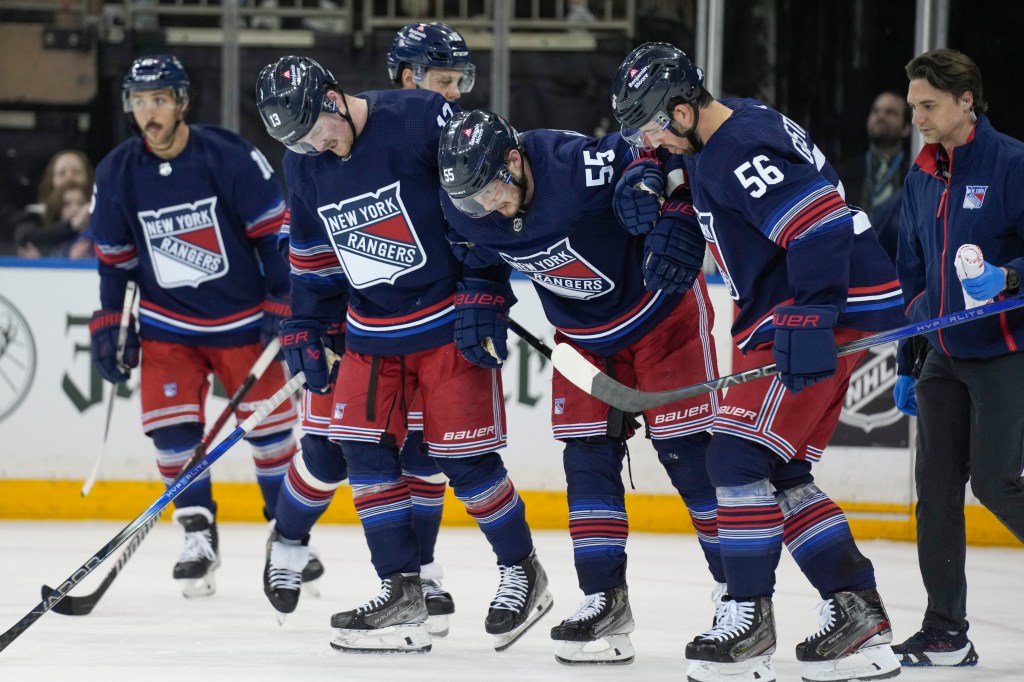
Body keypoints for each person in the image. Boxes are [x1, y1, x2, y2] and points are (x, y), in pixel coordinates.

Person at [610, 42, 908, 682]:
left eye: (657, 126)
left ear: (686, 109)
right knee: (782, 471)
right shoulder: (730, 127)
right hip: (790, 309)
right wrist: (674, 199)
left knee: (737, 458)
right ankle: (858, 617)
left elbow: (818, 223)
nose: (653, 140)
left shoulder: (739, 145)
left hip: (802, 310)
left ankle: (747, 619)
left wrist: (814, 311)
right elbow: (724, 192)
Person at [255, 55, 551, 654]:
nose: (314, 146)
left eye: (316, 129)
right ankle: (401, 591)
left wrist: (484, 288)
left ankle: (523, 571)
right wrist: (306, 323)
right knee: (363, 453)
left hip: (445, 322)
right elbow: (312, 255)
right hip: (369, 329)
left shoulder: (419, 118)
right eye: (299, 140)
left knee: (461, 462)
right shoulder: (305, 162)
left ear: (334, 99)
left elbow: (479, 200)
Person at [437, 109, 725, 665]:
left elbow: (663, 148)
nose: (487, 207)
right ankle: (603, 600)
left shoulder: (574, 164)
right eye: (472, 201)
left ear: (515, 160)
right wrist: (481, 290)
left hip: (663, 313)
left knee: (689, 455)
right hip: (584, 338)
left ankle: (737, 593)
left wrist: (679, 209)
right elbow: (475, 247)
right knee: (586, 459)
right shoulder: (466, 202)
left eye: (491, 190)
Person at [88, 54, 304, 599]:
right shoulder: (117, 171)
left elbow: (274, 238)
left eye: (159, 99)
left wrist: (283, 298)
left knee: (271, 432)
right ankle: (198, 535)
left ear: (181, 102)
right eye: (139, 101)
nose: (149, 112)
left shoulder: (228, 155)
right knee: (171, 429)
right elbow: (114, 263)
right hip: (168, 326)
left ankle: (286, 536)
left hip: (244, 323)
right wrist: (111, 323)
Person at [891, 47, 1024, 668]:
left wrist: (1008, 276)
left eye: (928, 105)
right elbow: (910, 270)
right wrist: (907, 357)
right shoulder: (919, 173)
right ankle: (946, 629)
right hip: (942, 355)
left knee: (995, 483)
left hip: (1004, 351)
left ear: (966, 102)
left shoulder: (1012, 163)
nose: (917, 115)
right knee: (936, 490)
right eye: (914, 103)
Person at [836, 91, 912, 261]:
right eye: (875, 111)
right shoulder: (843, 174)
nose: (881, 116)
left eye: (890, 112)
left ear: (906, 128)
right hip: (852, 262)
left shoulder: (915, 176)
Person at [387, 20, 476, 104]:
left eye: (459, 82)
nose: (456, 93)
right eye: (443, 81)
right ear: (409, 79)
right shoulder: (380, 119)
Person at [16, 180, 91, 258]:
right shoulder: (46, 236)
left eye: (81, 203)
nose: (75, 209)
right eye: (67, 204)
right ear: (57, 208)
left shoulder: (93, 237)